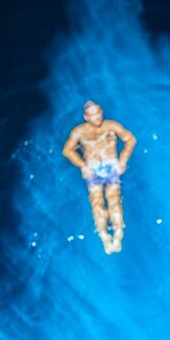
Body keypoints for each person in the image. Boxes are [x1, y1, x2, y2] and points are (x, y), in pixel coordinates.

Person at [62, 101, 137, 255]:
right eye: (92, 115)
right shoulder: (79, 132)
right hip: (93, 169)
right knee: (97, 203)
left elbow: (130, 139)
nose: (97, 117)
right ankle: (104, 238)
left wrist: (122, 160)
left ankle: (117, 237)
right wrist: (82, 166)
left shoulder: (112, 126)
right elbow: (67, 150)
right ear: (86, 117)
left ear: (101, 112)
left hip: (111, 166)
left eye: (98, 113)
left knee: (114, 201)